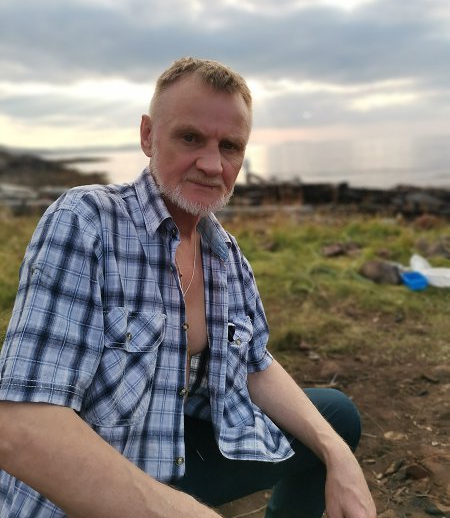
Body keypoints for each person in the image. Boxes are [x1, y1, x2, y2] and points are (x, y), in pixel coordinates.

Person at [0, 57, 376, 517]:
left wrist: (338, 456)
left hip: (173, 456)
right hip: (77, 489)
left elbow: (255, 363)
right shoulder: (87, 222)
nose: (212, 164)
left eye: (230, 146)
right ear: (148, 136)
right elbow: (22, 426)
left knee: (336, 417)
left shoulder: (224, 254)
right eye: (191, 138)